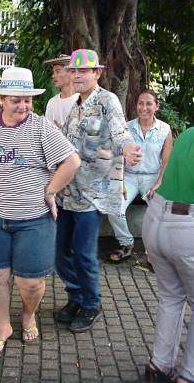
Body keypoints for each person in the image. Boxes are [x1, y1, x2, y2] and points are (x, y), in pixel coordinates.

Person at [0, 67, 80, 357]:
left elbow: (71, 161)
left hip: (34, 220)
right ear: (2, 99)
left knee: (30, 282)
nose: (22, 106)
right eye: (15, 99)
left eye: (27, 100)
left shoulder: (41, 128)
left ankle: (28, 315)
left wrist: (50, 191)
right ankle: (3, 326)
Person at [55, 49, 142, 333]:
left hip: (92, 194)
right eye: (74, 70)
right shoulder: (73, 107)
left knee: (82, 252)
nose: (77, 75)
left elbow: (119, 133)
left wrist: (128, 150)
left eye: (84, 70)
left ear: (97, 73)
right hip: (66, 192)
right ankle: (76, 296)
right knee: (60, 253)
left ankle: (91, 303)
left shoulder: (107, 101)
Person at [142, 127, 194, 383]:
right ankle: (188, 375)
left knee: (171, 297)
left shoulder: (188, 134)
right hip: (187, 228)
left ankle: (158, 367)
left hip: (155, 220)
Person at [108, 89, 173, 263]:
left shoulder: (165, 130)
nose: (144, 107)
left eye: (149, 103)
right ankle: (126, 243)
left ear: (156, 106)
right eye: (140, 103)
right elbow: (118, 157)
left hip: (152, 177)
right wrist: (120, 182)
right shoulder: (126, 128)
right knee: (114, 207)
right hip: (128, 176)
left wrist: (159, 183)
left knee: (160, 212)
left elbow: (166, 161)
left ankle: (152, 252)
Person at [44, 54, 79, 128]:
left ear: (71, 73)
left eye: (57, 71)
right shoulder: (51, 103)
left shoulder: (83, 100)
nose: (53, 76)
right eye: (53, 72)